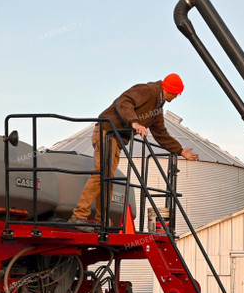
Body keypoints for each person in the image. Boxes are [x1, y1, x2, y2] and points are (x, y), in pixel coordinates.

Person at [70, 74, 199, 228]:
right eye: (177, 93)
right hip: (107, 132)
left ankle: (102, 220)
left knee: (108, 178)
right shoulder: (148, 90)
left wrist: (180, 150)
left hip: (116, 138)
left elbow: (161, 134)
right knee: (101, 174)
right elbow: (124, 101)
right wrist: (134, 122)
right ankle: (78, 216)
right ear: (172, 90)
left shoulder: (157, 109)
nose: (177, 96)